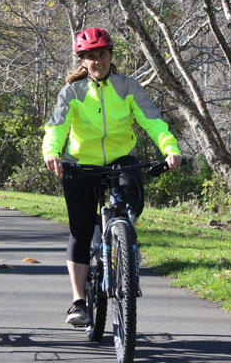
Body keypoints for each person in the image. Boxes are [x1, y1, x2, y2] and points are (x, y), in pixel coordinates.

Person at [42, 27, 182, 326]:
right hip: (81, 164)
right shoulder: (72, 92)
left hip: (121, 160)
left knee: (131, 202)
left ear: (110, 55)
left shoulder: (128, 86)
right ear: (83, 61)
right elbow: (56, 127)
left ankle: (125, 250)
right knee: (80, 231)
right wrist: (51, 152)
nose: (98, 61)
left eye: (102, 54)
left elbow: (152, 121)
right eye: (91, 56)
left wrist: (170, 148)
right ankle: (79, 301)